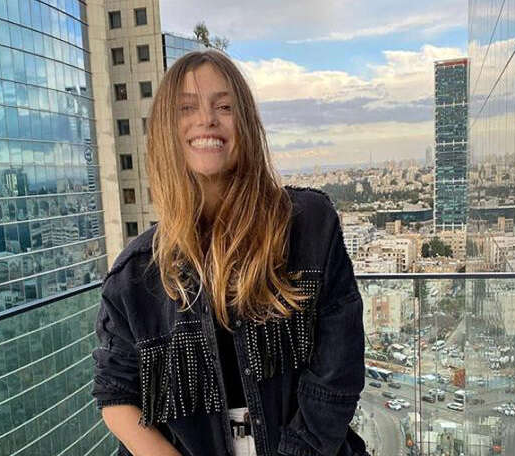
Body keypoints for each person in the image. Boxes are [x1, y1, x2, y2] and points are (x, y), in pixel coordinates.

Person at [91, 49, 367, 456]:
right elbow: (116, 393)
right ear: (166, 131)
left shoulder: (309, 226)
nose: (207, 119)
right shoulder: (134, 275)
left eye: (224, 106)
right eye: (187, 108)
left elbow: (337, 375)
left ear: (247, 124)